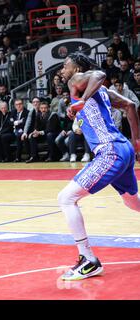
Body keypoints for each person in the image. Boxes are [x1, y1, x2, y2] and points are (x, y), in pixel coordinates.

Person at [58, 52, 140, 280]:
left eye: (65, 65)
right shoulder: (101, 92)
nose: (63, 70)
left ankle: (89, 260)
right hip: (123, 149)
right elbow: (130, 106)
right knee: (133, 203)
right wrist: (136, 142)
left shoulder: (77, 80)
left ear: (76, 68)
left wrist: (82, 99)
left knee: (66, 198)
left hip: (110, 151)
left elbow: (100, 73)